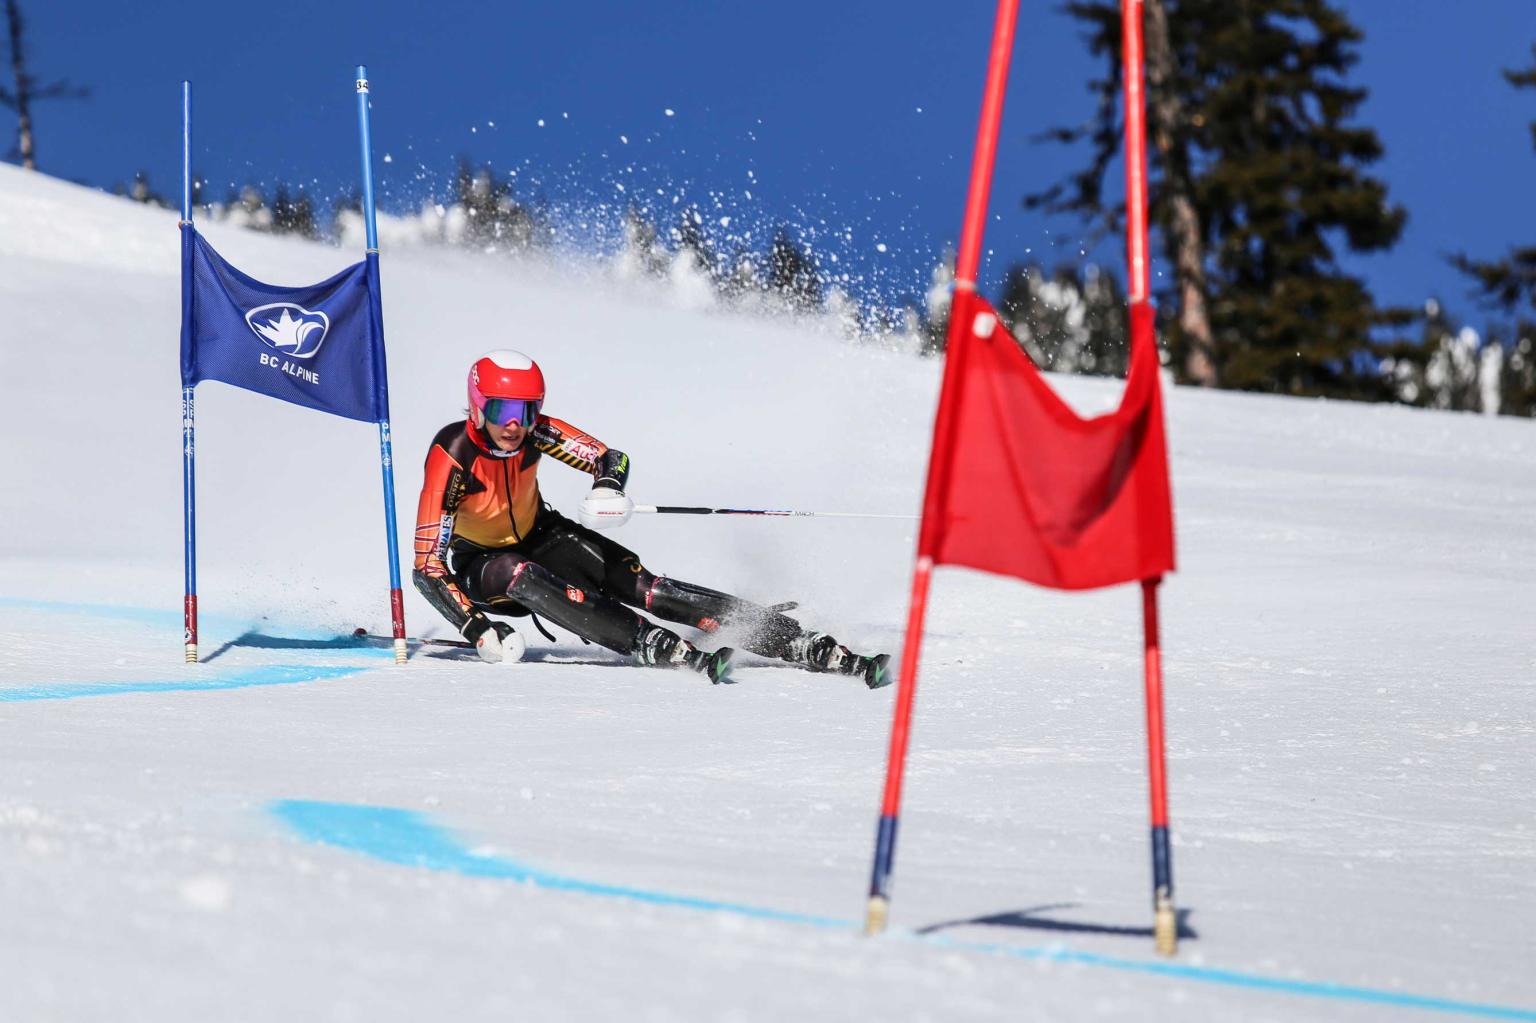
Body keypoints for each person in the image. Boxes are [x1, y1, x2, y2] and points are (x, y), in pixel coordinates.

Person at [412, 350, 891, 687]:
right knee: (516, 572)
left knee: (646, 586)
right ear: (478, 406)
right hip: (484, 567)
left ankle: (792, 639)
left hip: (542, 534)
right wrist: (477, 629)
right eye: (501, 409)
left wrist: (607, 487)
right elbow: (427, 568)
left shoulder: (537, 432)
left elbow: (609, 457)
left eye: (526, 409)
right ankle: (646, 641)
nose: (515, 423)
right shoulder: (452, 455)